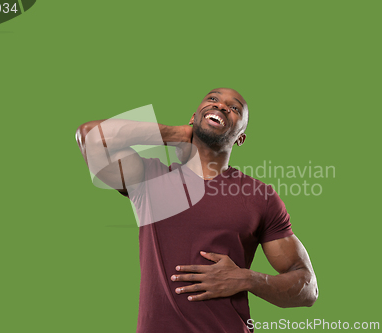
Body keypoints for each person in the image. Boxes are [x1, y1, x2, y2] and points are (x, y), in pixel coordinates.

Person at [75, 88, 318, 332]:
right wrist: (174, 133)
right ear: (193, 118)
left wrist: (247, 278)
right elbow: (90, 136)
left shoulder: (260, 196)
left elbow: (308, 288)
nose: (221, 106)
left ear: (240, 138)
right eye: (213, 99)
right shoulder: (149, 177)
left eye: (234, 108)